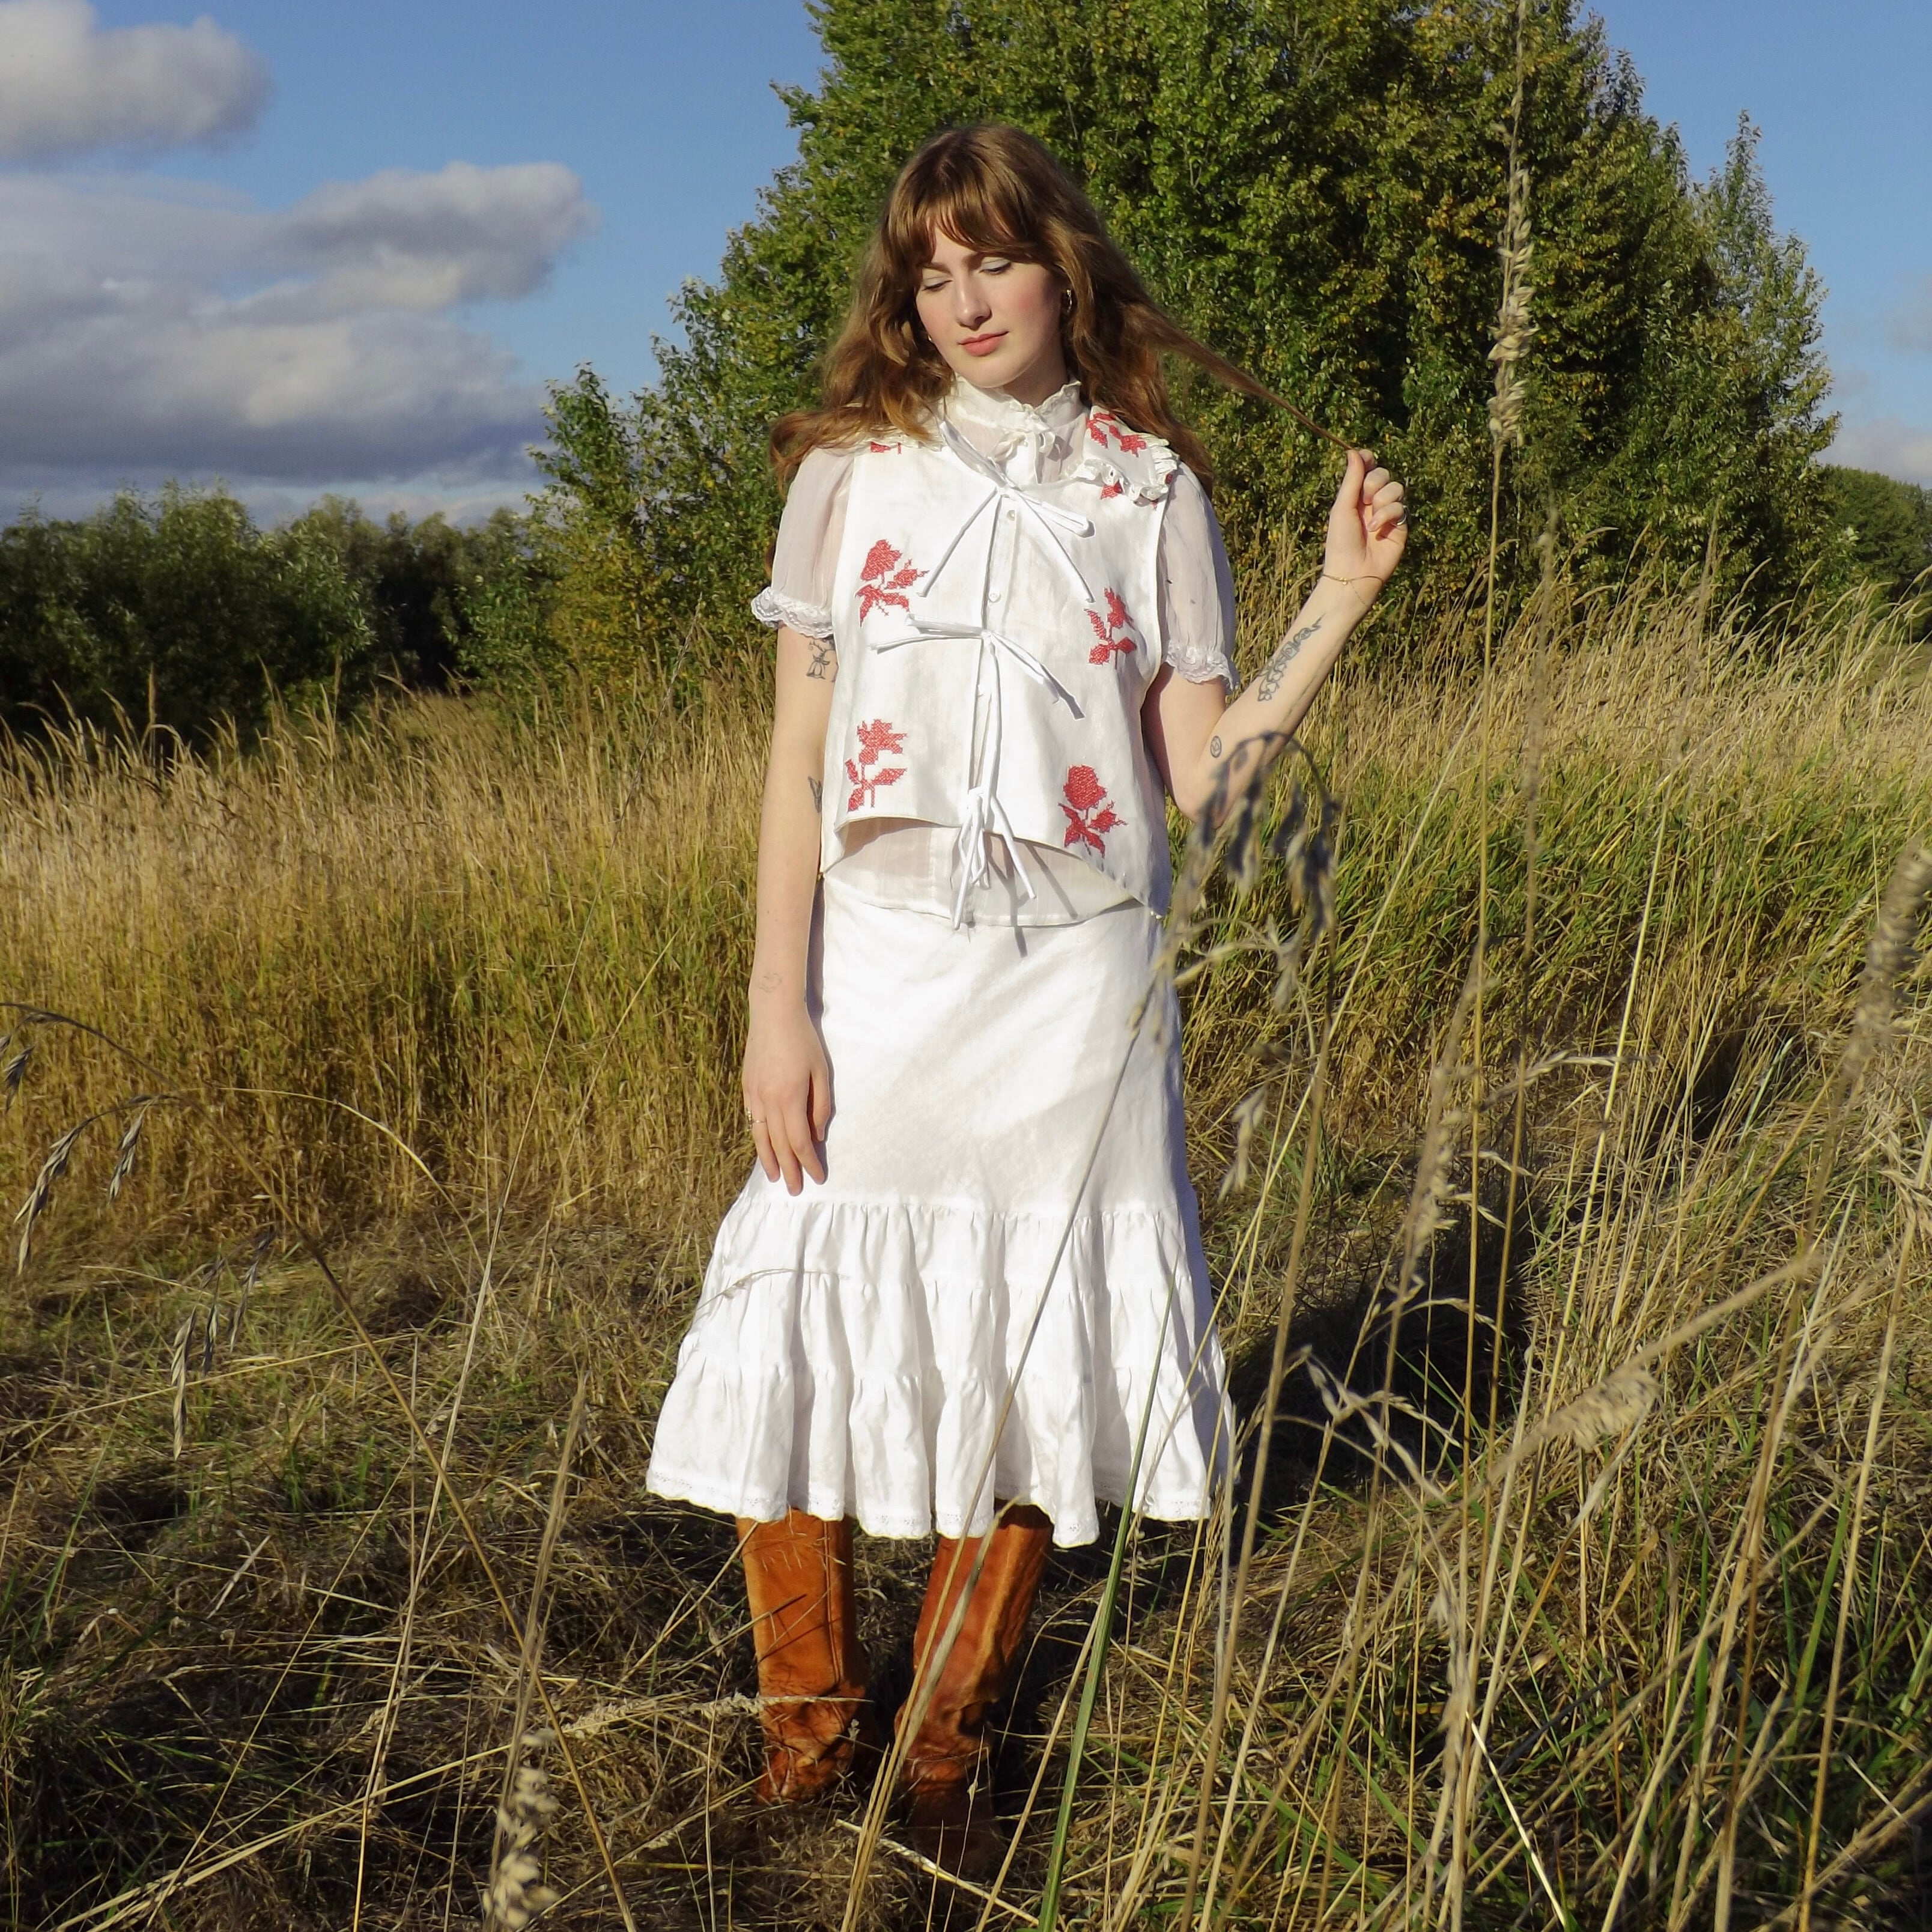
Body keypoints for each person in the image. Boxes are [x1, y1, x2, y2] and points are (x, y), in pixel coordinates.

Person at [645, 123, 1406, 1865]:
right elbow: (792, 760)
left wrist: (1339, 599)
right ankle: (805, 1744)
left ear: (1065, 268)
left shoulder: (1149, 491)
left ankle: (944, 1750)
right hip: (883, 965)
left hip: (1079, 988)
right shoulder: (850, 474)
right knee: (800, 1315)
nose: (962, 297)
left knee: (1027, 1344)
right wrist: (781, 1010)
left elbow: (1207, 783)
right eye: (931, 269)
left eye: (992, 260)